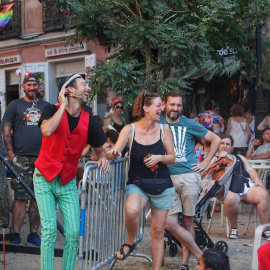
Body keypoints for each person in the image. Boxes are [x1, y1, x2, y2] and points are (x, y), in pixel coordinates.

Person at [33, 74, 110, 269]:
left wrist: (103, 158)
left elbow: (101, 150)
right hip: (44, 178)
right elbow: (47, 131)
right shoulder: (51, 110)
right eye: (84, 85)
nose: (88, 89)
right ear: (70, 91)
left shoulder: (89, 121)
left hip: (67, 181)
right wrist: (62, 105)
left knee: (74, 233)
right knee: (49, 230)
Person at [108, 91, 175, 270]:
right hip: (138, 182)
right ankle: (131, 242)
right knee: (131, 211)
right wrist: (110, 153)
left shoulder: (164, 129)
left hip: (162, 184)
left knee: (157, 233)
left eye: (162, 105)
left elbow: (172, 157)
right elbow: (116, 151)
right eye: (159, 105)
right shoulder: (130, 129)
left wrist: (159, 158)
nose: (162, 108)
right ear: (146, 108)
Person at [160, 91, 221, 270]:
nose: (175, 108)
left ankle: (185, 264)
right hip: (166, 177)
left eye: (178, 105)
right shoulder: (158, 123)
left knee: (188, 222)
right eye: (172, 104)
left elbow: (216, 139)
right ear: (164, 104)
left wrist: (205, 162)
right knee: (169, 223)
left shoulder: (189, 123)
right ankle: (200, 255)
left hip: (188, 176)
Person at [2, 72, 50, 246]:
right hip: (20, 158)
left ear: (39, 86)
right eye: (28, 85)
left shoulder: (47, 106)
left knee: (38, 197)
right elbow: (6, 129)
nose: (32, 87)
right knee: (21, 197)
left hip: (43, 158)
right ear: (23, 86)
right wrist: (11, 154)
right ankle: (15, 234)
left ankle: (33, 234)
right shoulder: (14, 105)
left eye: (35, 84)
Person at [213, 135, 270, 240]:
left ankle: (265, 229)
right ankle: (234, 228)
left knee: (264, 194)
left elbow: (251, 170)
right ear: (218, 145)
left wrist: (257, 180)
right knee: (230, 199)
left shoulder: (239, 157)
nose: (224, 146)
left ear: (231, 146)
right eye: (222, 143)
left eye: (227, 144)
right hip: (227, 187)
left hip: (245, 184)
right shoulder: (213, 159)